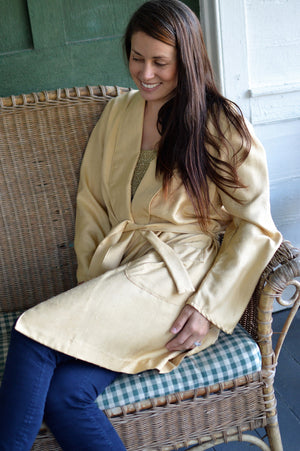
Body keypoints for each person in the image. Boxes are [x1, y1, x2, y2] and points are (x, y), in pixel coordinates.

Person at [0, 0, 282, 449]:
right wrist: (95, 284)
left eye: (160, 63)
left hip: (179, 280)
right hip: (124, 276)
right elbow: (91, 200)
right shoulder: (119, 113)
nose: (145, 73)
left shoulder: (219, 123)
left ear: (185, 62)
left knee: (30, 336)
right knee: (65, 393)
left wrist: (210, 305)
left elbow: (256, 223)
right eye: (136, 57)